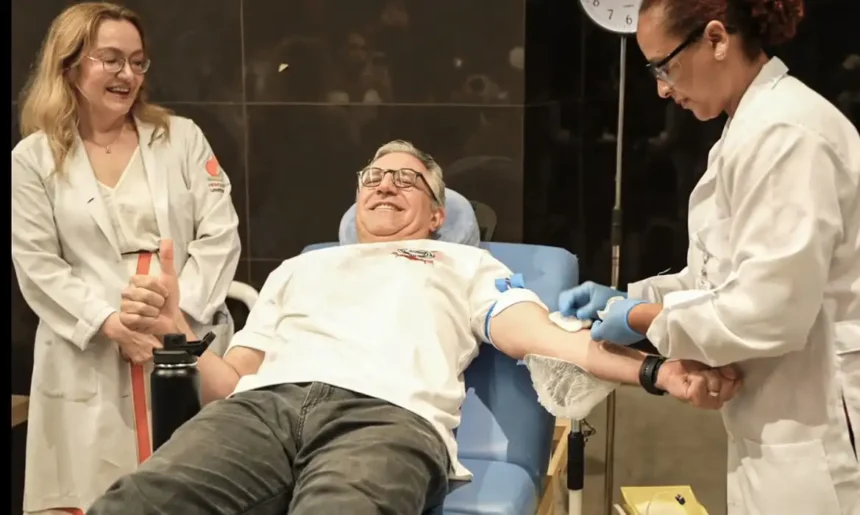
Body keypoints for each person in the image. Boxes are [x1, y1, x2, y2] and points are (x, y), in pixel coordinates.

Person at [86, 140, 741, 515]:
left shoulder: (466, 264)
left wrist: (657, 370)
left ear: (436, 214)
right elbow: (230, 383)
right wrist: (176, 330)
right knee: (135, 501)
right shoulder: (300, 268)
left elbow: (550, 339)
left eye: (408, 179)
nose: (385, 185)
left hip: (385, 419)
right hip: (261, 410)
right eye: (374, 176)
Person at [559, 0, 860, 514]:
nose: (661, 88)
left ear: (717, 39)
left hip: (821, 424)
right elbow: (719, 278)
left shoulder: (787, 135)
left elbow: (770, 311)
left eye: (664, 66)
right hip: (775, 418)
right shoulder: (748, 129)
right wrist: (631, 298)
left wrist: (643, 317)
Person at [11, 3, 241, 514]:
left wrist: (174, 322)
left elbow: (220, 234)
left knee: (190, 488)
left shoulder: (181, 138)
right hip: (89, 346)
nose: (128, 74)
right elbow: (37, 262)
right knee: (91, 494)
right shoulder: (33, 158)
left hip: (183, 337)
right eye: (111, 59)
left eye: (137, 62)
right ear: (70, 65)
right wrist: (112, 324)